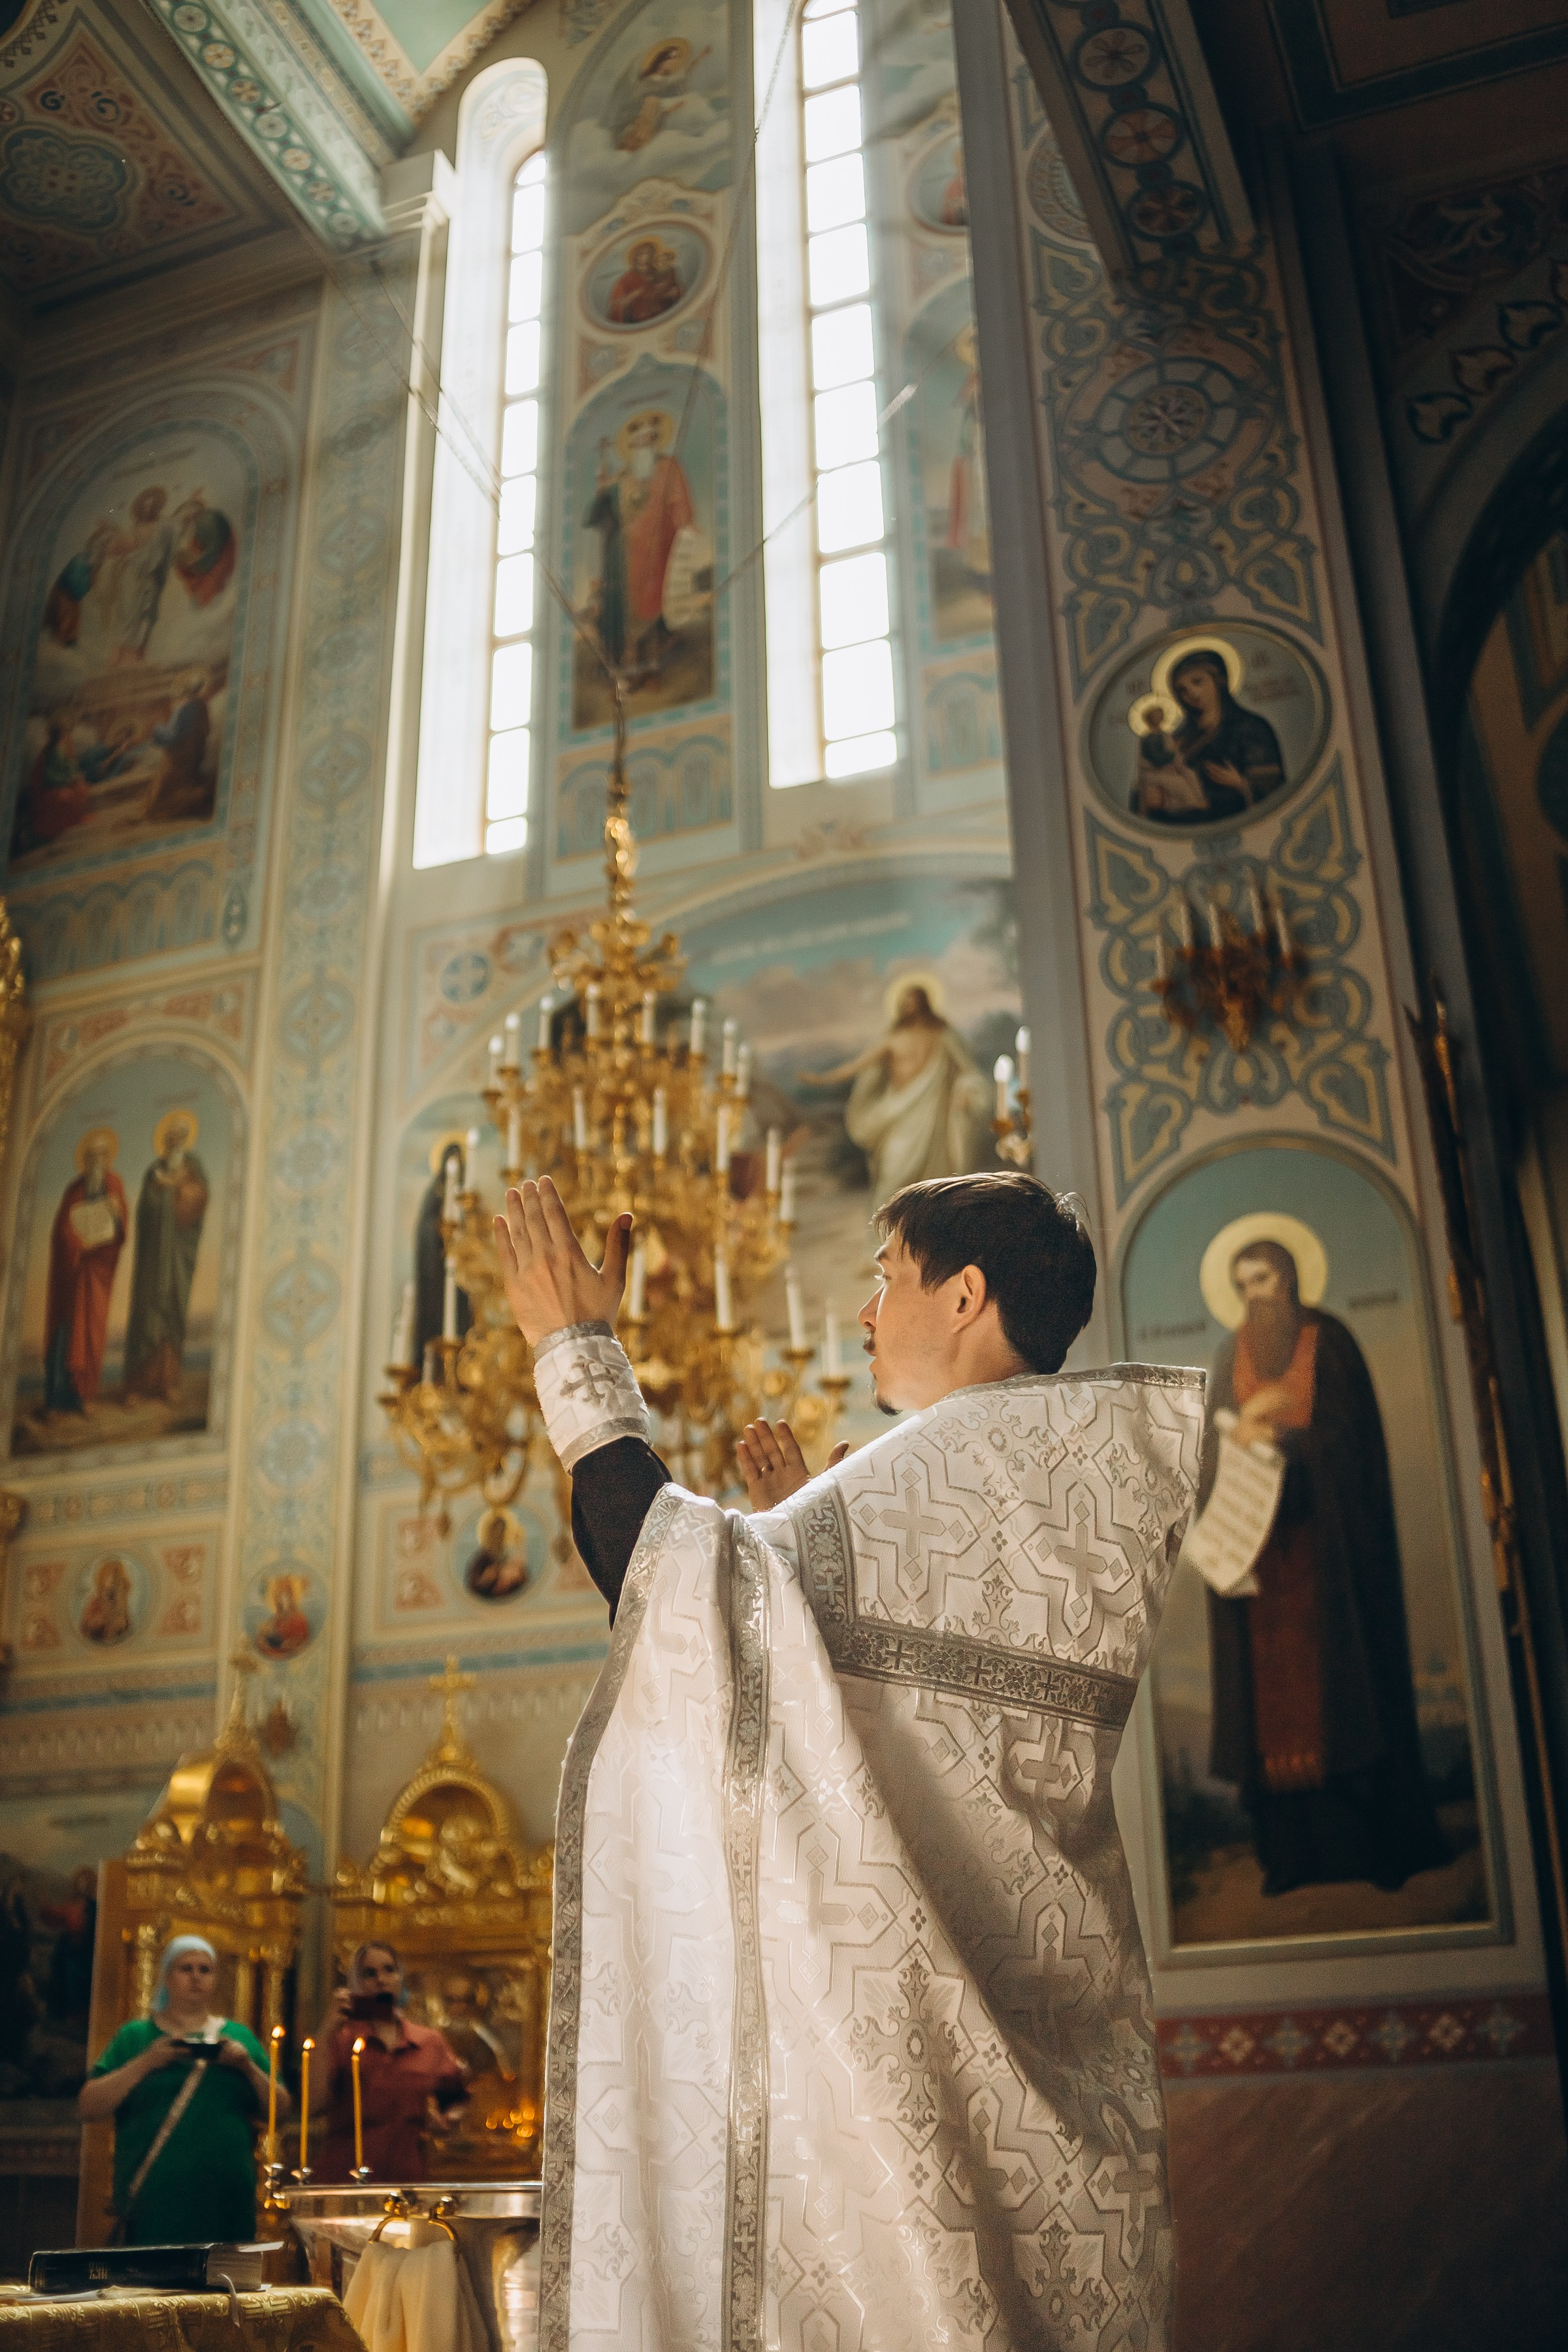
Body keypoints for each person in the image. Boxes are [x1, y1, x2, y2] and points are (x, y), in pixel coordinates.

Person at [495, 1169, 1204, 2349]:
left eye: (887, 1279)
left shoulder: (952, 1459)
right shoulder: (1062, 1468)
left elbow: (663, 1583)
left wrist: (575, 1352)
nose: (867, 1315)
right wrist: (805, 1543)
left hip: (911, 2116)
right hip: (1049, 2074)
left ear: (966, 1293)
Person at [1201, 1237, 1449, 1897]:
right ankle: (1291, 1857)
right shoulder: (1231, 1355)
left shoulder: (1329, 1342)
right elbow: (1210, 1455)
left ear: (1290, 1278)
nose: (1257, 1294)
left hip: (1330, 1566)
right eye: (1244, 1283)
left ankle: (1371, 1851)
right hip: (1262, 1577)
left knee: (1347, 1700)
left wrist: (1286, 1439)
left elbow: (1352, 1446)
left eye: (1266, 1279)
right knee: (1271, 1720)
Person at [78, 1934, 282, 2244]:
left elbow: (283, 2111)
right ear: (167, 1977)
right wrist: (148, 2061)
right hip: (154, 2202)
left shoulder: (238, 2038)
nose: (196, 1977)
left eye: (205, 1969)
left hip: (225, 2203)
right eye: (186, 1968)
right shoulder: (136, 2036)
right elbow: (89, 2106)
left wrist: (247, 2067)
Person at [801, 979, 989, 1206]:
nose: (908, 1007)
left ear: (924, 1003)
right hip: (899, 1111)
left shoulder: (941, 1034)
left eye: (913, 1002)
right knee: (893, 1174)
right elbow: (857, 1065)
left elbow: (966, 1069)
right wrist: (822, 1080)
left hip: (930, 1113)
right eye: (904, 1003)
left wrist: (967, 1091)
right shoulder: (892, 1038)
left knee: (932, 1182)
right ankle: (886, 1226)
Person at [315, 1941, 468, 2185]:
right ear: (355, 1984)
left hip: (405, 2176)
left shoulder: (428, 2042)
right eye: (369, 1974)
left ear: (401, 1978)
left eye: (389, 1970)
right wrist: (326, 2030)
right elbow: (313, 2101)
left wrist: (446, 2120)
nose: (381, 1979)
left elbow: (457, 2097)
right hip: (345, 2176)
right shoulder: (342, 2039)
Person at [583, 410, 694, 674]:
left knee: (653, 599)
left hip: (657, 548)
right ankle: (623, 655)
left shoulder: (668, 467)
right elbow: (597, 515)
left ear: (656, 442)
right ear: (631, 447)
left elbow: (679, 503)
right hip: (624, 552)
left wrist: (684, 523)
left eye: (649, 440)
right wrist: (601, 489)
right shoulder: (621, 478)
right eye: (639, 442)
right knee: (620, 602)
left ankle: (651, 652)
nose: (644, 445)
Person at [1132, 647, 1284, 825]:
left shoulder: (1251, 728)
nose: (1191, 694)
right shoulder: (1178, 739)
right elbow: (1144, 784)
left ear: (1219, 681)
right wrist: (1149, 797)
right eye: (1182, 690)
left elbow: (1275, 791)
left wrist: (1242, 784)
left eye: (1198, 682)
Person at [122, 1108, 209, 1403]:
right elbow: (144, 1211)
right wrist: (159, 1192)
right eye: (170, 1137)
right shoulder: (153, 1171)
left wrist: (180, 1190)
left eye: (180, 1137)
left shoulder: (192, 1168)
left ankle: (168, 1384)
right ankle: (137, 1386)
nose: (175, 1141)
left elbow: (199, 1201)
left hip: (175, 1260)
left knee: (171, 1313)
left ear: (186, 1140)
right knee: (147, 1314)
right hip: (152, 1260)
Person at [43, 1128, 128, 1415]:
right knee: (66, 1335)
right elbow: (61, 1232)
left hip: (97, 1275)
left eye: (103, 1154)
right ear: (85, 1159)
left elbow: (121, 1230)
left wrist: (115, 1219)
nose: (97, 1160)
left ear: (108, 1158)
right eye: (92, 1155)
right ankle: (57, 1398)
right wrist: (78, 1244)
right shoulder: (74, 1191)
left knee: (91, 1333)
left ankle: (82, 1397)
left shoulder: (114, 1185)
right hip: (73, 1276)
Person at [144, 672, 214, 823]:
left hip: (179, 758)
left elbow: (171, 737)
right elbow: (204, 731)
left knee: (160, 799)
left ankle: (191, 800)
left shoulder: (185, 708)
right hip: (194, 755)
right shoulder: (201, 706)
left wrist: (157, 728)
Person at [606, 237, 683, 325]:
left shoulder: (661, 271)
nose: (646, 257)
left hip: (667, 317)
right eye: (641, 254)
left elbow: (676, 290)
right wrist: (632, 296)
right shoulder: (626, 280)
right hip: (641, 322)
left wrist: (676, 293)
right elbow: (616, 306)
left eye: (650, 253)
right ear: (634, 257)